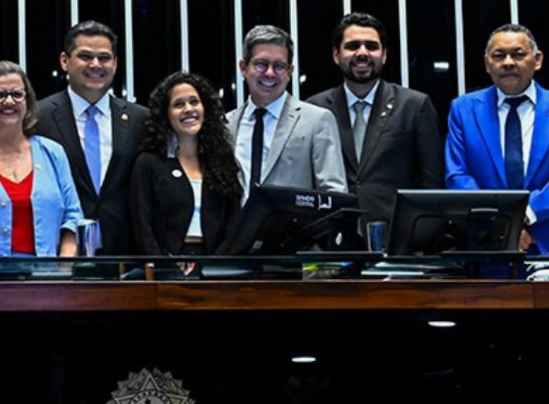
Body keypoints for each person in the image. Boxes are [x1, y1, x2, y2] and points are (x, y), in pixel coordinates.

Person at [445, 24, 549, 277]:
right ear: (487, 63)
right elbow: (457, 176)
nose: (508, 62)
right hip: (485, 251)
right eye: (499, 55)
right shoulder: (464, 109)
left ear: (537, 60)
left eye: (518, 54)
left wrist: (526, 214)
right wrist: (503, 225)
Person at [306, 12, 444, 231]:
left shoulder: (414, 105)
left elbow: (432, 184)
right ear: (336, 55)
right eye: (352, 46)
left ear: (384, 55)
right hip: (331, 237)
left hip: (397, 237)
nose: (362, 53)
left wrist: (420, 238)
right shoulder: (315, 109)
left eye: (371, 46)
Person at [34, 21, 146, 255]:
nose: (95, 65)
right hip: (59, 252)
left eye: (104, 58)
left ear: (115, 63)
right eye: (85, 56)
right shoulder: (37, 118)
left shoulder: (141, 120)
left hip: (126, 255)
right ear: (64, 61)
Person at [0, 61, 82, 257]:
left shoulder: (53, 153)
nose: (9, 101)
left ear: (27, 102)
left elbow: (72, 219)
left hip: (46, 274)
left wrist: (64, 265)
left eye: (17, 94)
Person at [228, 24, 347, 198]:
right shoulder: (226, 124)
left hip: (295, 217)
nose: (270, 73)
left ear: (290, 71)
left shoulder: (317, 120)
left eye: (279, 66)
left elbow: (334, 194)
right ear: (243, 67)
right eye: (261, 64)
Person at [129, 72, 241, 256]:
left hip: (215, 265)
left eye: (194, 102)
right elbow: (142, 227)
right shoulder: (148, 163)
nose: (189, 109)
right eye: (178, 104)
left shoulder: (222, 161)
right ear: (165, 114)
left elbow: (233, 223)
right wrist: (163, 267)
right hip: (165, 266)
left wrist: (216, 265)